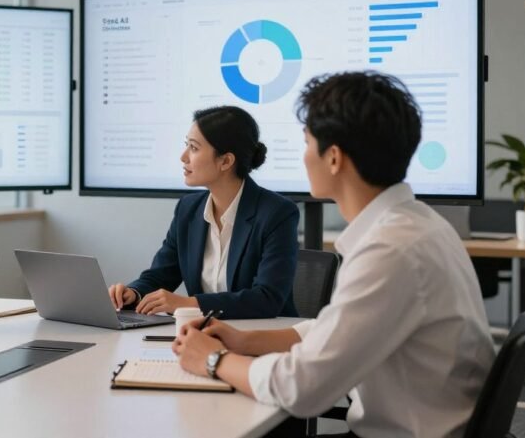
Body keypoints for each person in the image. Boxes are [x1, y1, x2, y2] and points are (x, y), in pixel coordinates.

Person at [173, 72, 494, 437]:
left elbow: (301, 389)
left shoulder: (390, 251)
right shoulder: (415, 226)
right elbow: (335, 330)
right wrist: (243, 340)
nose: (304, 155)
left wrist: (213, 360)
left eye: (308, 142)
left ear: (334, 158)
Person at [108, 106, 299, 319]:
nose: (183, 157)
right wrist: (133, 294)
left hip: (264, 338)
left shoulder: (277, 213)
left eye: (194, 148)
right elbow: (160, 276)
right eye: (186, 146)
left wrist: (189, 304)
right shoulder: (188, 209)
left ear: (225, 161)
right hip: (204, 336)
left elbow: (266, 299)